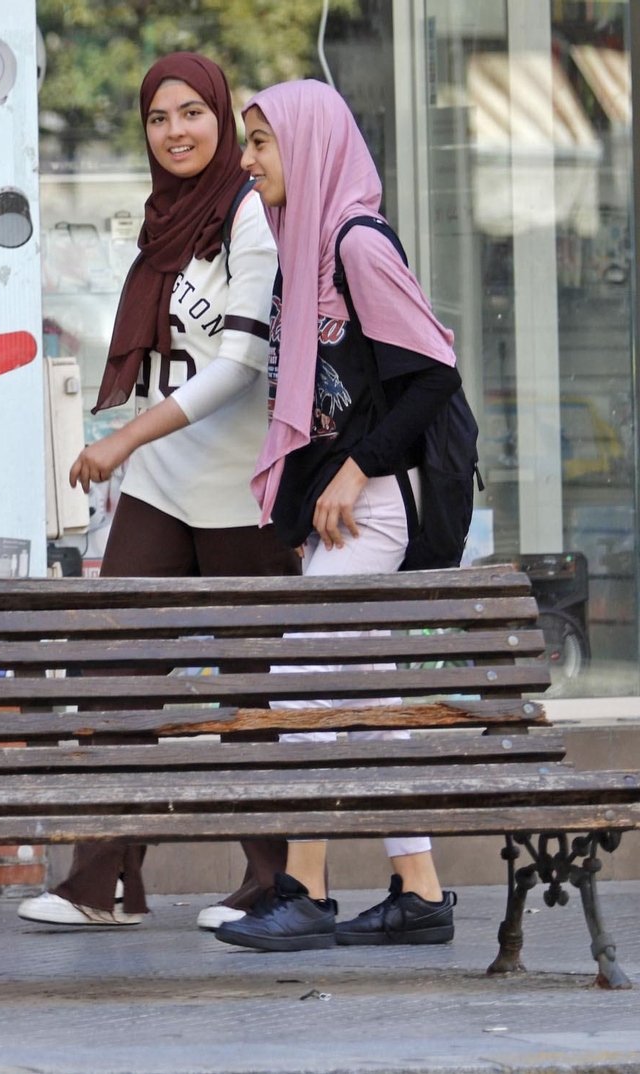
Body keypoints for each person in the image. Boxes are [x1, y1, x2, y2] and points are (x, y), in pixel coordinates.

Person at [17, 52, 297, 935]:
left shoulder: (251, 216)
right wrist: (136, 452)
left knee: (251, 696)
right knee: (116, 678)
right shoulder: (165, 220)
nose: (175, 131)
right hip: (164, 486)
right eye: (157, 118)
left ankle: (264, 887)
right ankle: (100, 881)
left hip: (247, 488)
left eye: (192, 114)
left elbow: (242, 361)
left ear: (220, 118)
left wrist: (123, 439)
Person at [213, 79, 464, 952]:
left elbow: (435, 372)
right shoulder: (305, 243)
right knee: (374, 698)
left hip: (380, 505)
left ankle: (307, 890)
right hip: (348, 506)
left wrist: (356, 469)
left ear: (310, 144)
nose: (247, 161)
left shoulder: (355, 241)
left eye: (260, 142)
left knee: (303, 680)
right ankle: (420, 889)